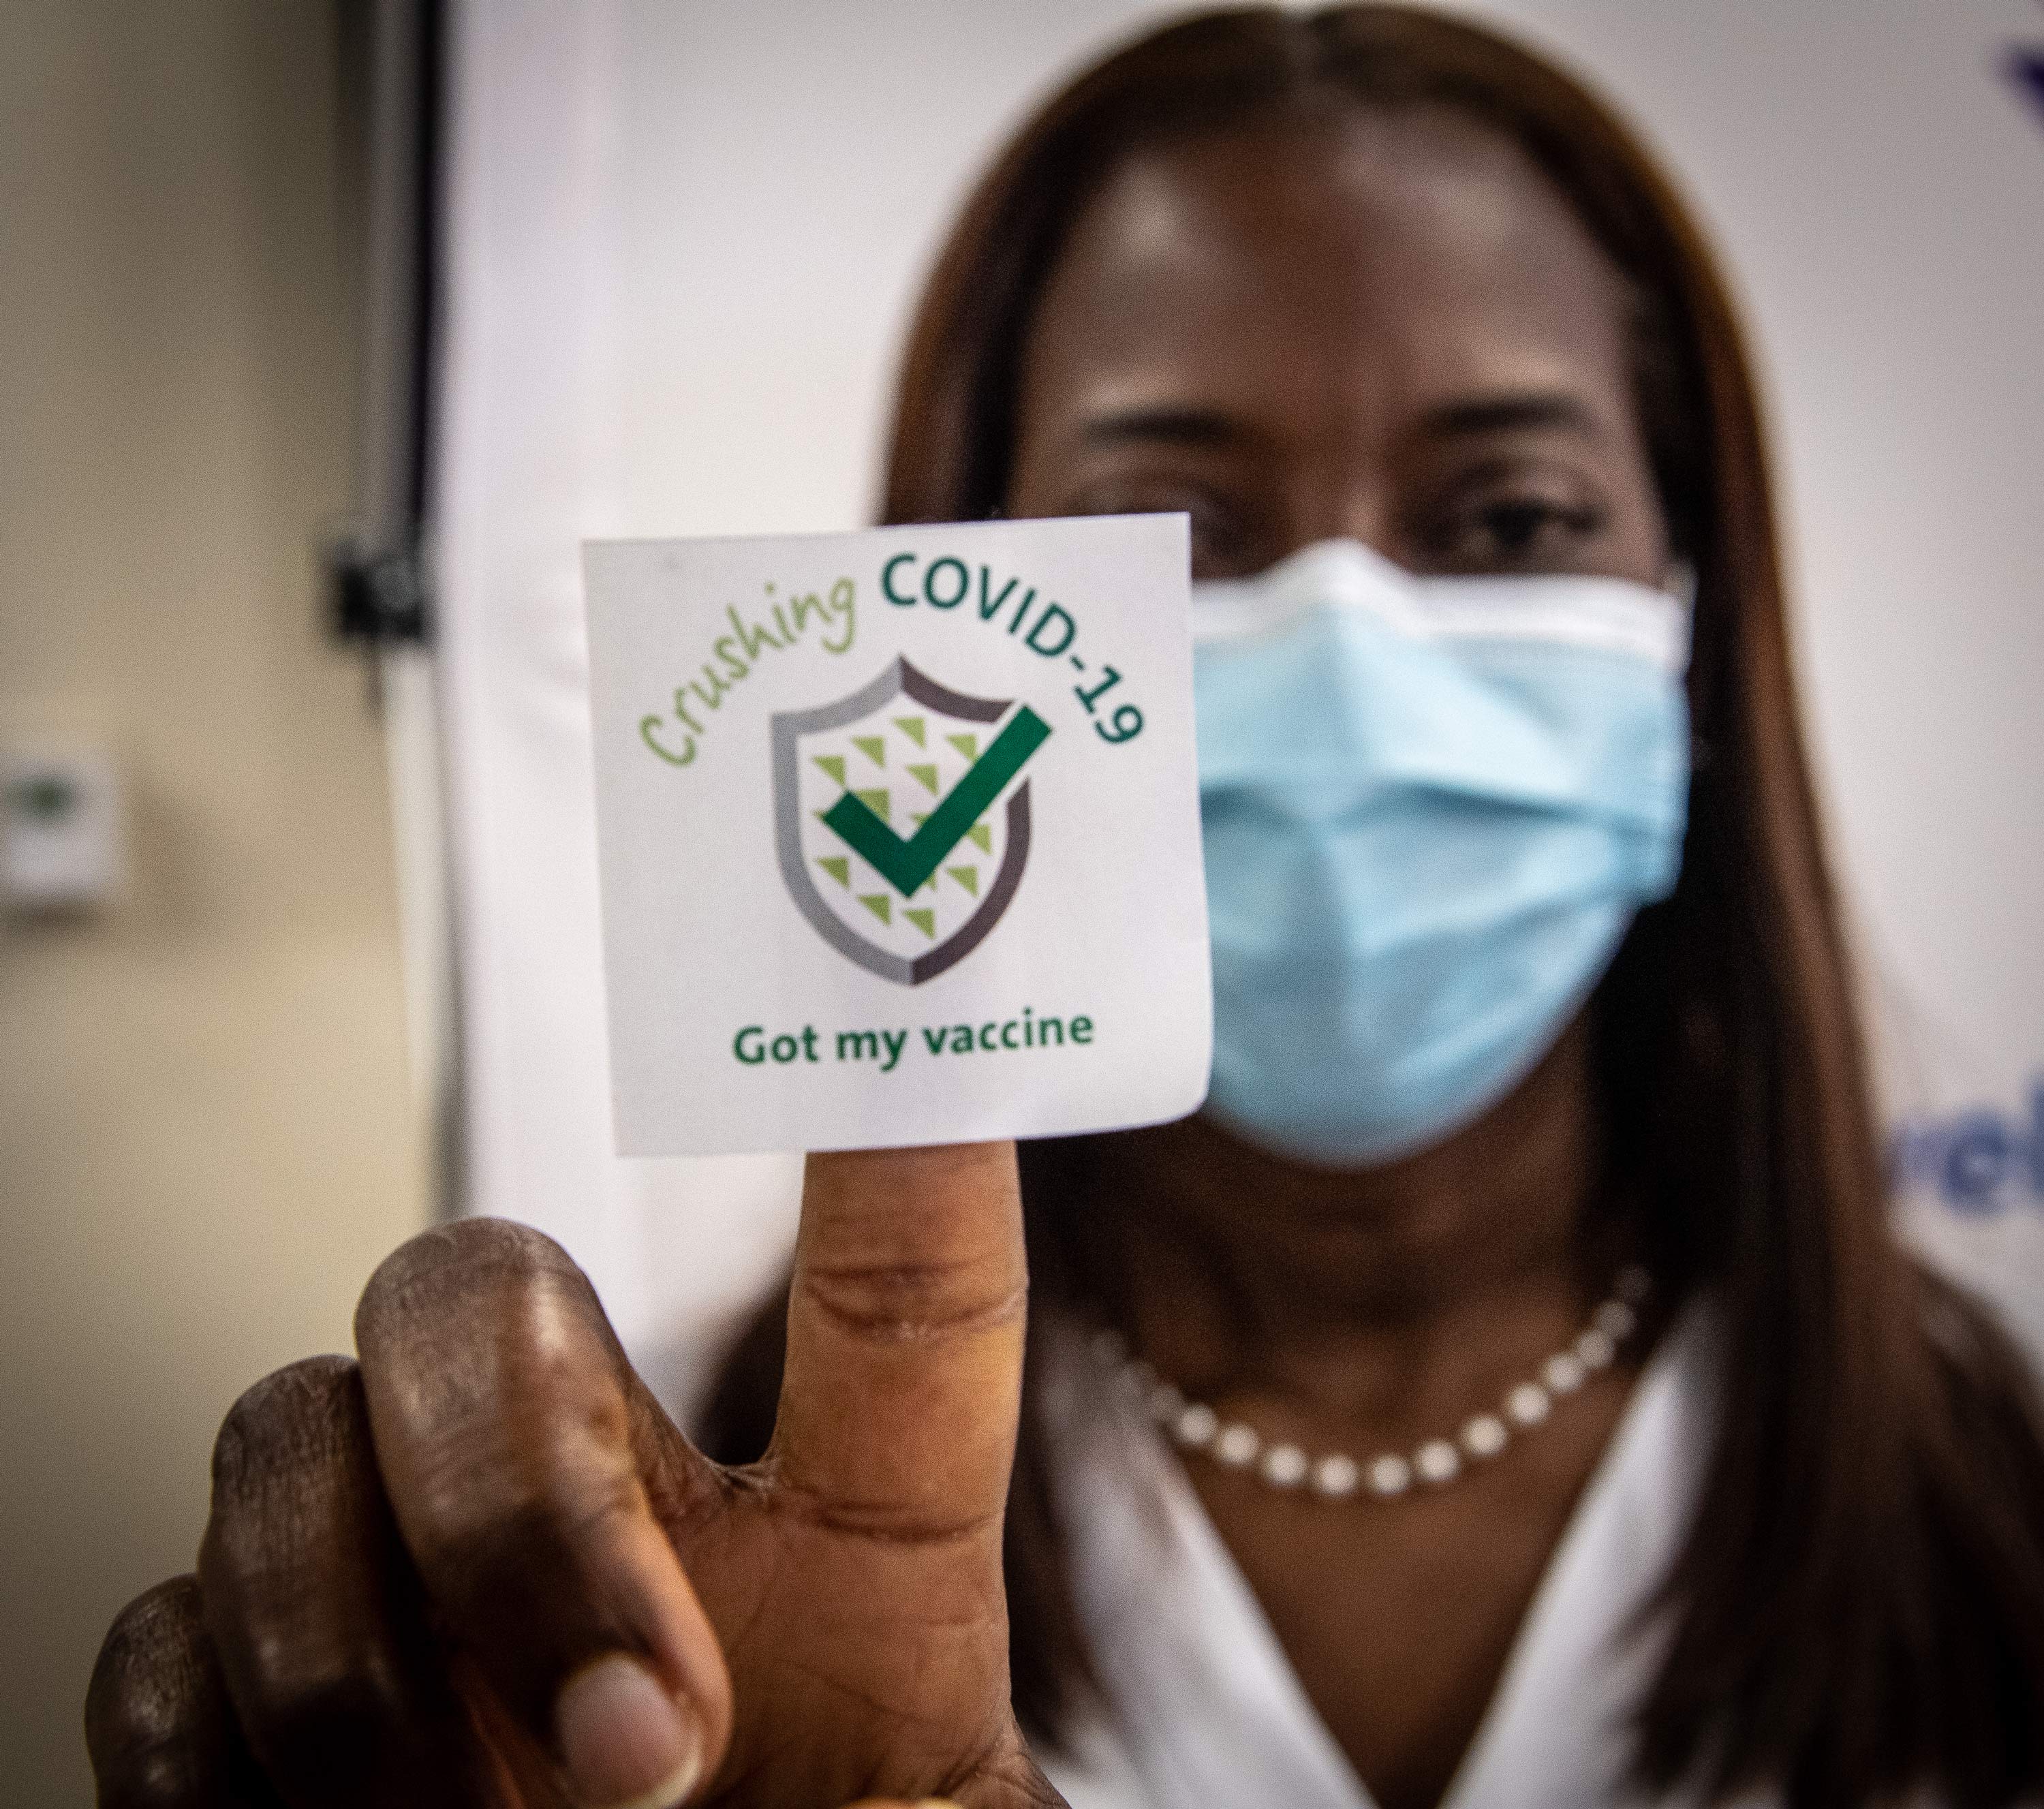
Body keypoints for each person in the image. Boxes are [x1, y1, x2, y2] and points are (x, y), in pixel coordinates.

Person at [86, 8, 2044, 1809]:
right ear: (952, 618)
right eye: (1166, 530)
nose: (1345, 653)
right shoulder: (699, 1550)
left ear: (1691, 630)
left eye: (1511, 519)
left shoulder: (1991, 1489)